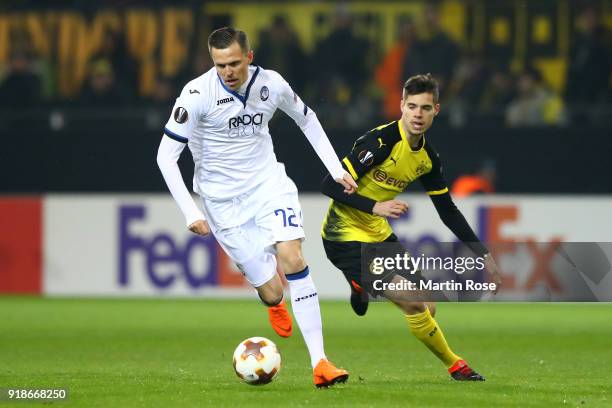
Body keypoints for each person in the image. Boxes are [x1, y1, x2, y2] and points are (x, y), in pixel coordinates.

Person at [156, 27, 355, 388]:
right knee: (273, 290)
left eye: (234, 63)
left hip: (269, 186)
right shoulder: (196, 94)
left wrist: (335, 168)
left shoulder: (272, 83)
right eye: (220, 65)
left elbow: (306, 118)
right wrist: (191, 211)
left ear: (249, 56)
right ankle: (274, 302)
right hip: (222, 204)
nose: (228, 71)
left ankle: (320, 363)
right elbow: (166, 157)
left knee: (293, 257)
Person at [320, 74, 502, 381]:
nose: (418, 114)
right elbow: (329, 184)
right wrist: (376, 206)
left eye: (425, 108)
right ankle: (456, 365)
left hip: (378, 234)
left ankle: (360, 286)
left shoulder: (427, 158)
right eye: (413, 106)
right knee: (414, 301)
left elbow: (447, 210)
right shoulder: (379, 143)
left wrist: (482, 253)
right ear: (402, 106)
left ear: (436, 111)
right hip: (344, 235)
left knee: (428, 307)